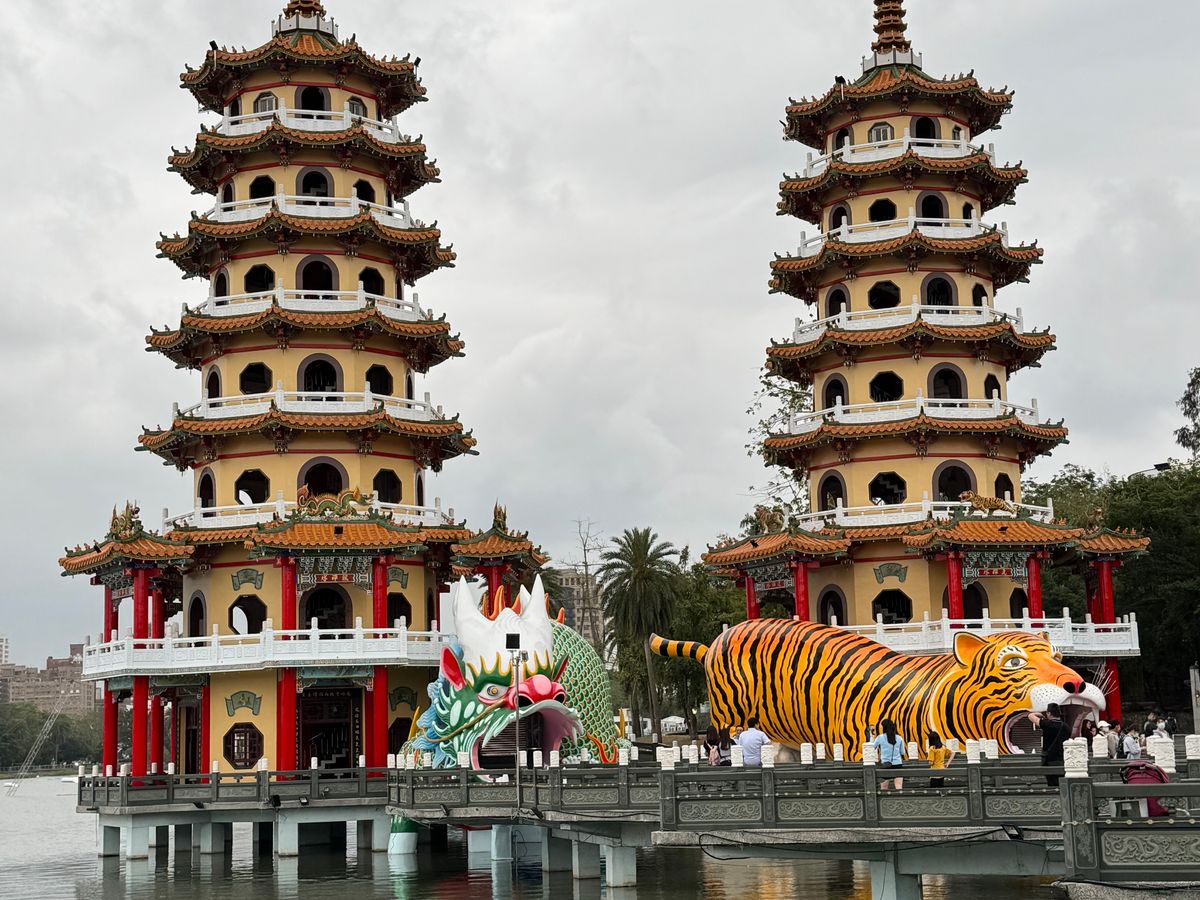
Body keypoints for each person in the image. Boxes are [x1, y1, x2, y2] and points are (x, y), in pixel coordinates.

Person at [1028, 703, 1069, 787]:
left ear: (1049, 713)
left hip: (1049, 760)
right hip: (1063, 760)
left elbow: (1030, 716)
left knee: (1051, 784)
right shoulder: (1066, 726)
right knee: (1062, 784)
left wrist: (1039, 714)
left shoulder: (1047, 724)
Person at [870, 718, 906, 790]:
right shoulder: (899, 738)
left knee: (884, 787)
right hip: (898, 765)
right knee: (898, 787)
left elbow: (871, 747)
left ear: (884, 727)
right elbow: (902, 752)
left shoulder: (880, 738)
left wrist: (872, 737)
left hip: (885, 765)